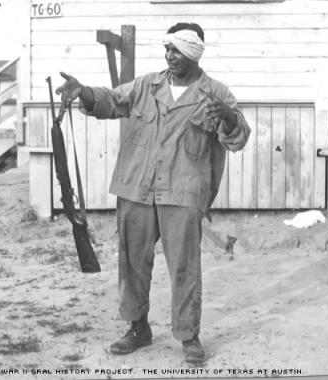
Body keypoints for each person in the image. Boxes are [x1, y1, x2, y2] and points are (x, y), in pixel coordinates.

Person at [56, 22, 251, 365]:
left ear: (193, 53)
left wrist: (229, 118)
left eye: (177, 50)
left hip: (183, 191)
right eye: (167, 49)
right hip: (136, 187)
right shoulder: (148, 84)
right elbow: (112, 101)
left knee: (184, 267)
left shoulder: (216, 94)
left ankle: (188, 335)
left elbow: (238, 139)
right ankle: (138, 328)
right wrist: (84, 92)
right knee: (132, 261)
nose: (169, 55)